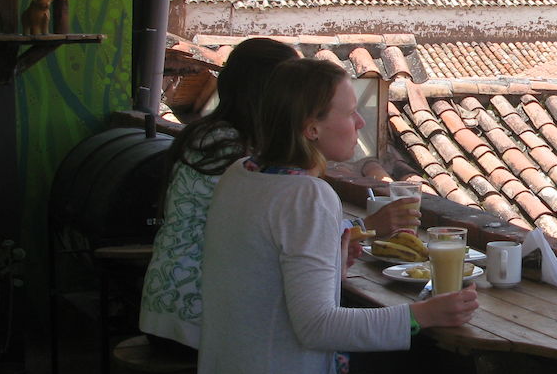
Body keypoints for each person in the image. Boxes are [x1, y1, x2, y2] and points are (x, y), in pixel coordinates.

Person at [193, 58, 476, 374]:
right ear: (311, 128)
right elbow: (316, 327)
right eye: (349, 113)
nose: (360, 123)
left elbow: (263, 287)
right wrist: (422, 316)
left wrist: (333, 270)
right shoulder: (307, 197)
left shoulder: (241, 174)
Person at [139, 39, 419, 349]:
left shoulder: (219, 140)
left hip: (170, 308)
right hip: (197, 319)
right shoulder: (235, 157)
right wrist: (365, 229)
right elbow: (271, 234)